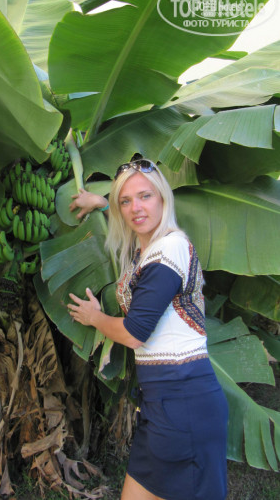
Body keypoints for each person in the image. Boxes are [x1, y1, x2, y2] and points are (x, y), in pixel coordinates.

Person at [67, 158, 228, 500]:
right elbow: (132, 216)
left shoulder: (169, 249)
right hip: (160, 403)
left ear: (163, 198)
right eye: (126, 201)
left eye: (145, 196)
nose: (135, 208)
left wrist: (95, 317)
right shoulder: (150, 246)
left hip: (183, 400)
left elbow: (134, 332)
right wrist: (101, 203)